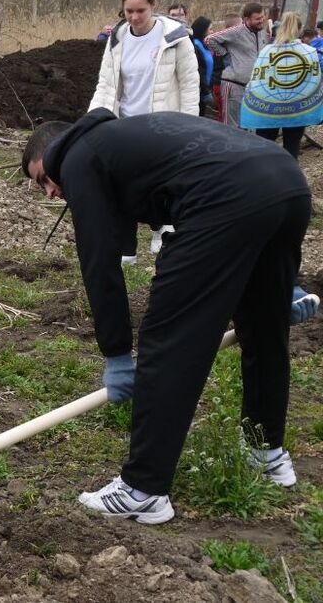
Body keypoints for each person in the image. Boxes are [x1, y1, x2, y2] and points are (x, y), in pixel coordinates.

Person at [22, 110, 314, 525]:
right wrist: (282, 288)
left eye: (42, 180)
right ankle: (265, 453)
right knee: (264, 328)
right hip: (285, 183)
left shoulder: (77, 158)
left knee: (168, 340)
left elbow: (99, 263)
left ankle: (143, 489)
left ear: (52, 154)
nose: (51, 192)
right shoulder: (125, 140)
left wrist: (118, 353)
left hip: (225, 198)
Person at [88, 0, 198, 265]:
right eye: (129, 11)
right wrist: (93, 119)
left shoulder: (175, 39)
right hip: (126, 123)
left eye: (141, 11)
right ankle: (127, 247)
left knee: (160, 183)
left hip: (163, 123)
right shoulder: (117, 39)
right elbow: (106, 84)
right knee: (122, 183)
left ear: (152, 7)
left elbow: (189, 85)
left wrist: (189, 125)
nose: (134, 17)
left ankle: (160, 228)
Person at [241, 12, 322, 159]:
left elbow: (257, 79)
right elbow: (315, 79)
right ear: (299, 29)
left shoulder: (266, 51)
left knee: (265, 151)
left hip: (266, 109)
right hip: (297, 108)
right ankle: (291, 179)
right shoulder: (309, 52)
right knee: (292, 149)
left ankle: (266, 179)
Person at [207, 2, 269, 127]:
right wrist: (225, 54)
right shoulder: (236, 31)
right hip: (233, 85)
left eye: (263, 17)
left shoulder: (262, 32)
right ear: (246, 19)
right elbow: (210, 39)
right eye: (257, 19)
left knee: (249, 124)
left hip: (253, 87)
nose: (261, 20)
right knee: (231, 126)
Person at [190, 16, 214, 116]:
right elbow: (199, 70)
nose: (212, 31)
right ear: (203, 30)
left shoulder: (204, 44)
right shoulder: (195, 46)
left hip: (205, 88)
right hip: (199, 90)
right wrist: (205, 91)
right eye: (210, 29)